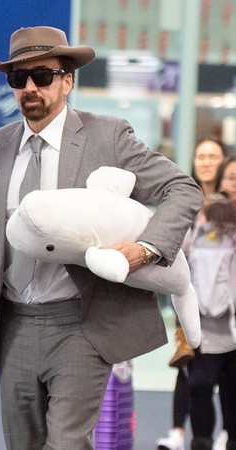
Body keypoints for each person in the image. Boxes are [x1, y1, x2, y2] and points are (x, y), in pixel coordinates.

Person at [0, 26, 204, 449]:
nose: (30, 88)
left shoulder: (107, 136)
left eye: (42, 76)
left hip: (82, 322)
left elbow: (183, 189)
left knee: (67, 443)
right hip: (14, 324)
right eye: (19, 78)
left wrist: (144, 251)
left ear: (67, 81)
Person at [158, 138, 229, 450]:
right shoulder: (184, 197)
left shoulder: (229, 202)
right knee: (188, 365)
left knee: (226, 373)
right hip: (190, 297)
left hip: (226, 306)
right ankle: (178, 432)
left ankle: (227, 432)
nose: (206, 162)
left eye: (213, 156)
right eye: (201, 156)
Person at [186, 192, 236, 450]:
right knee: (202, 388)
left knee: (224, 391)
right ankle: (203, 442)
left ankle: (222, 440)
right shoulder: (193, 238)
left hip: (226, 331)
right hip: (203, 332)